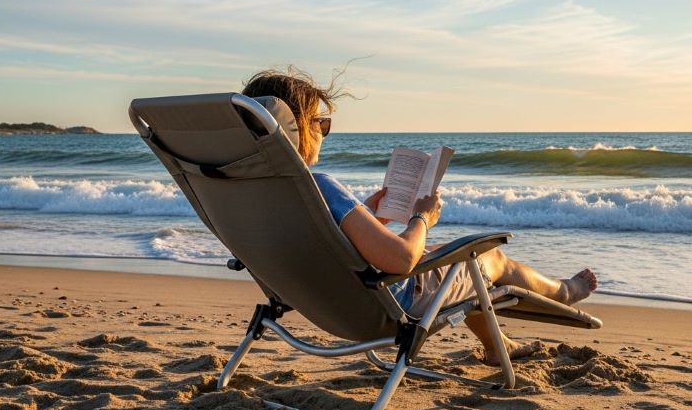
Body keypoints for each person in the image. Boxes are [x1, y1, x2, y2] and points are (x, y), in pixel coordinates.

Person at [242, 68, 597, 365]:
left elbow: (321, 248)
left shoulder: (253, 194)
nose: (323, 132)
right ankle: (563, 292)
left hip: (321, 302)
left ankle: (496, 345)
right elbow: (402, 259)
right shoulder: (320, 187)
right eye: (321, 123)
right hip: (388, 305)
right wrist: (422, 218)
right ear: (295, 128)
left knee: (454, 261)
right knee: (483, 256)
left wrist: (368, 217)